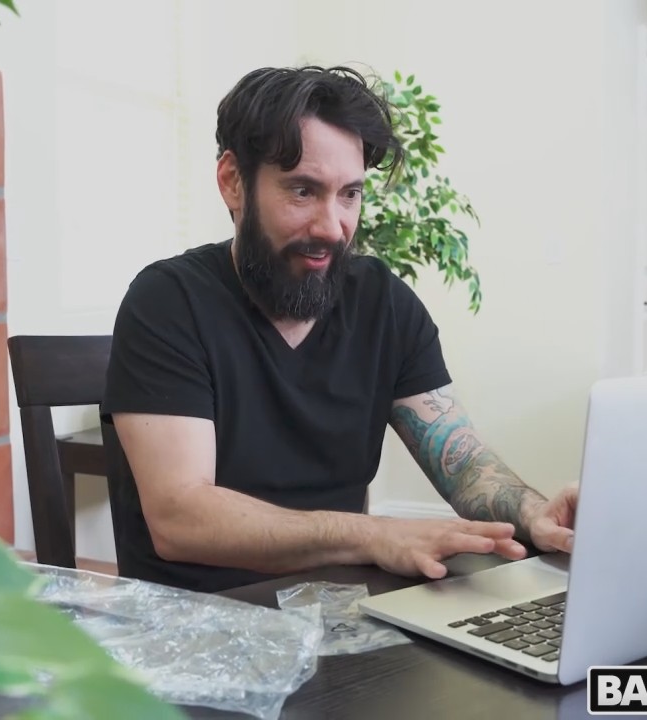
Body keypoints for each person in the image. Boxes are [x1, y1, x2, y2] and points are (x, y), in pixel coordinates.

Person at [100, 65, 578, 594]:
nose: (332, 227)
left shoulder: (384, 304)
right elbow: (180, 518)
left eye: (350, 194)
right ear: (233, 182)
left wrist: (536, 514)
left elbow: (463, 464)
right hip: (197, 620)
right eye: (303, 191)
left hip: (339, 614)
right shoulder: (169, 302)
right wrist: (373, 535)